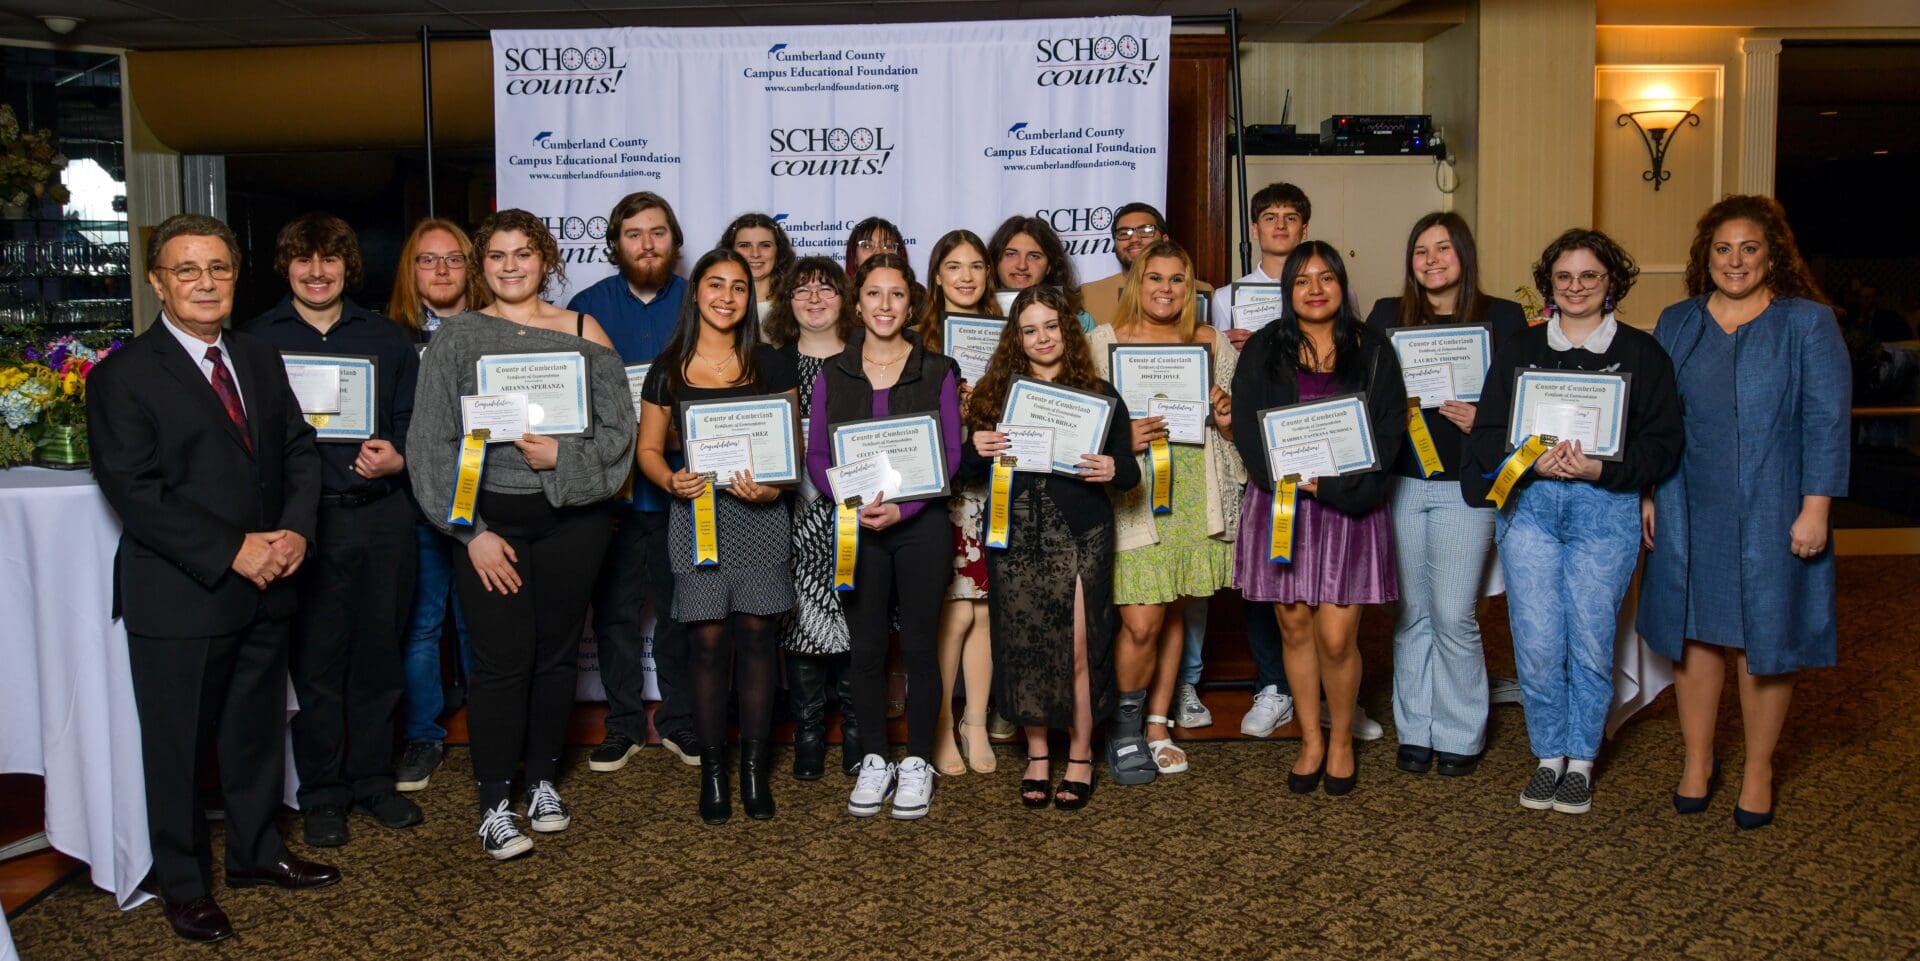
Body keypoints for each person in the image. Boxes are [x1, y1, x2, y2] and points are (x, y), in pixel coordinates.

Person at [87, 213, 336, 943]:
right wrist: (235, 550)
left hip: (270, 582)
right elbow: (134, 490)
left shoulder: (258, 356)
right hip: (182, 592)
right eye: (186, 269)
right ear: (158, 281)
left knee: (255, 731)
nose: (204, 282)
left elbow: (298, 449)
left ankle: (258, 853)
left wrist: (295, 530)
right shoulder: (122, 376)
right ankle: (184, 882)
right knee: (176, 747)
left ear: (234, 276)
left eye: (218, 268)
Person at [408, 209, 635, 859]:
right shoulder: (459, 338)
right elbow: (430, 448)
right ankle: (493, 801)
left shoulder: (586, 331)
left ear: (547, 261)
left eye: (524, 253)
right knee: (503, 662)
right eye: (497, 255)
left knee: (557, 655)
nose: (511, 265)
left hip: (575, 522)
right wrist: (469, 532)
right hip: (492, 527)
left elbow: (618, 438)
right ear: (482, 267)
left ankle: (541, 781)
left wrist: (559, 459)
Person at [1638, 195, 1850, 829]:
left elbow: (1827, 421)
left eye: (1749, 248)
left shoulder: (1807, 324)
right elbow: (1653, 416)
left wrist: (1817, 510)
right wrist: (1648, 491)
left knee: (1767, 637)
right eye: (1722, 248)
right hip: (1685, 497)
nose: (1735, 260)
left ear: (1772, 255)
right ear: (1707, 255)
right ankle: (1698, 759)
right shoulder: (1677, 321)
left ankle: (1758, 768)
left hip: (1776, 500)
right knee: (1695, 630)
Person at [1463, 228, 1683, 816]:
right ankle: (1547, 756)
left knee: (1590, 641)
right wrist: (1526, 459)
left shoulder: (1641, 354)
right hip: (1530, 510)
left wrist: (1600, 467)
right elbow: (1486, 438)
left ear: (1611, 282)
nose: (1577, 286)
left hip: (1604, 511)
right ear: (1549, 286)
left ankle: (1581, 759)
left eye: (1590, 276)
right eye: (1564, 277)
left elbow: (1664, 445)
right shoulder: (1519, 350)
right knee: (1535, 643)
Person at [243, 213, 423, 846]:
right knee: (316, 665)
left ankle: (373, 782)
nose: (317, 273)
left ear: (349, 266)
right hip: (304, 527)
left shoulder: (388, 338)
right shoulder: (256, 341)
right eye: (303, 260)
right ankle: (322, 793)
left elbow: (414, 420)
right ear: (285, 266)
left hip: (381, 518)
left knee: (379, 659)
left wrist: (397, 454)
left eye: (330, 260)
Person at [1230, 241, 1406, 797]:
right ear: (1288, 292)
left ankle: (1342, 739)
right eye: (1302, 280)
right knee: (1295, 625)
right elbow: (1249, 429)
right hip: (1283, 505)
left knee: (1336, 637)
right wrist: (1282, 479)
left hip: (1346, 507)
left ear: (1341, 285)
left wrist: (1332, 485)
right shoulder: (1262, 349)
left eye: (1326, 278)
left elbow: (1387, 432)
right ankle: (1310, 739)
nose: (1314, 288)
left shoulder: (1374, 349)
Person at [1362, 212, 1528, 778]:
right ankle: (1415, 727)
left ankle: (1460, 730)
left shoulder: (1502, 317)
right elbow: (1365, 391)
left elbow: (1521, 404)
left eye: (1443, 249)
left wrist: (1485, 419)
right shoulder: (1387, 316)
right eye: (1420, 251)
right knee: (1409, 614)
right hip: (1402, 481)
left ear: (1464, 255)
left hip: (1467, 485)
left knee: (1455, 615)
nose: (1431, 260)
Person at [960, 285, 1139, 808]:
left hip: (1082, 535)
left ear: (1068, 329)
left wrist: (1113, 467)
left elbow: (1127, 472)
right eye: (1030, 329)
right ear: (1017, 337)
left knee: (1081, 650)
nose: (1042, 338)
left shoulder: (1101, 393)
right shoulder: (994, 394)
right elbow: (965, 470)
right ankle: (1038, 755)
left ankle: (1080, 755)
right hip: (1016, 537)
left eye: (1051, 326)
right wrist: (976, 447)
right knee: (1026, 652)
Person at [637, 249, 798, 824]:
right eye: (715, 285)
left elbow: (789, 455)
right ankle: (713, 774)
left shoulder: (773, 362)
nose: (727, 296)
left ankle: (753, 771)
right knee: (706, 647)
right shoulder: (667, 368)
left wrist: (774, 490)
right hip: (698, 519)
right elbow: (649, 452)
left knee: (757, 642)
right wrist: (670, 480)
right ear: (696, 292)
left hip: (760, 519)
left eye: (738, 287)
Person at [805, 253, 962, 820]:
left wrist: (906, 507)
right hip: (857, 528)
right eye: (874, 294)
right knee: (866, 649)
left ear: (911, 301)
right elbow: (818, 455)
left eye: (897, 295)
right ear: (858, 301)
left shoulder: (939, 370)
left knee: (921, 648)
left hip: (919, 529)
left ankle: (917, 761)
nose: (886, 306)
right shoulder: (833, 372)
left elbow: (950, 453)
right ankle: (875, 757)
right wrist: (851, 501)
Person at [1088, 239, 1242, 783]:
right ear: (1135, 282)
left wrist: (1225, 416)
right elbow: (1083, 425)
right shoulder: (1102, 343)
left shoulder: (1211, 341)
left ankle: (1157, 723)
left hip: (1195, 490)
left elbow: (1236, 427)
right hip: (1134, 497)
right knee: (1141, 620)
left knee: (1174, 606)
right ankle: (1125, 728)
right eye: (1155, 278)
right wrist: (1118, 435)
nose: (1166, 289)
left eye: (1178, 280)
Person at [566, 192, 700, 771]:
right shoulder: (585, 308)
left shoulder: (701, 299)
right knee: (615, 612)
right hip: (612, 492)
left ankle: (679, 721)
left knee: (680, 610)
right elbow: (566, 399)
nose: (647, 245)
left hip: (684, 487)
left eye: (658, 233)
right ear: (615, 243)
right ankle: (621, 724)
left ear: (674, 240)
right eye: (633, 234)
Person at [1208, 184, 1345, 740]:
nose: (1281, 226)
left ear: (1305, 227)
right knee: (1271, 572)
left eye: (1292, 217)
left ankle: (1335, 695)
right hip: (1261, 447)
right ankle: (1274, 684)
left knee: (1327, 575)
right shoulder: (1225, 296)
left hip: (1322, 449)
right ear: (1256, 229)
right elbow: (1218, 365)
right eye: (1270, 218)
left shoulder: (1328, 286)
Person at [386, 217, 487, 793]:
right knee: (423, 625)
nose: (442, 269)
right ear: (411, 270)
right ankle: (424, 735)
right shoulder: (389, 338)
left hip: (485, 504)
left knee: (479, 624)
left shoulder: (495, 330)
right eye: (429, 259)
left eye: (454, 258)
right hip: (418, 504)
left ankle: (487, 728)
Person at [765, 256, 863, 779]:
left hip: (852, 505)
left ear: (845, 300)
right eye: (803, 290)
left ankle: (852, 727)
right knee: (799, 614)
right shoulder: (771, 361)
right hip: (788, 508)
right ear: (788, 302)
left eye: (827, 289)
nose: (815, 299)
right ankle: (807, 729)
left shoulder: (864, 357)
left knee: (852, 603)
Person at [914, 229, 1002, 776]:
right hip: (943, 490)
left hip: (999, 486)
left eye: (976, 266)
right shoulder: (915, 340)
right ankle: (942, 724)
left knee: (987, 610)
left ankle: (976, 722)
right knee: (954, 609)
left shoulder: (1009, 334)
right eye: (954, 266)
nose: (966, 276)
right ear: (937, 275)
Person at [1080, 202, 1213, 327]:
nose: (1135, 239)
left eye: (1146, 230)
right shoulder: (1087, 295)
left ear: (1165, 240)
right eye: (1124, 233)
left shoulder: (1203, 291)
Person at [987, 215, 1096, 332]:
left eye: (1034, 256)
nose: (1022, 265)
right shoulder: (976, 314)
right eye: (1011, 254)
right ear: (995, 260)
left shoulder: (1080, 322)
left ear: (1049, 266)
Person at [721, 212, 795, 323]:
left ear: (778, 251)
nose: (755, 254)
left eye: (765, 245)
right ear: (730, 251)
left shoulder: (796, 302)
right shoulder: (718, 302)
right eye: (745, 245)